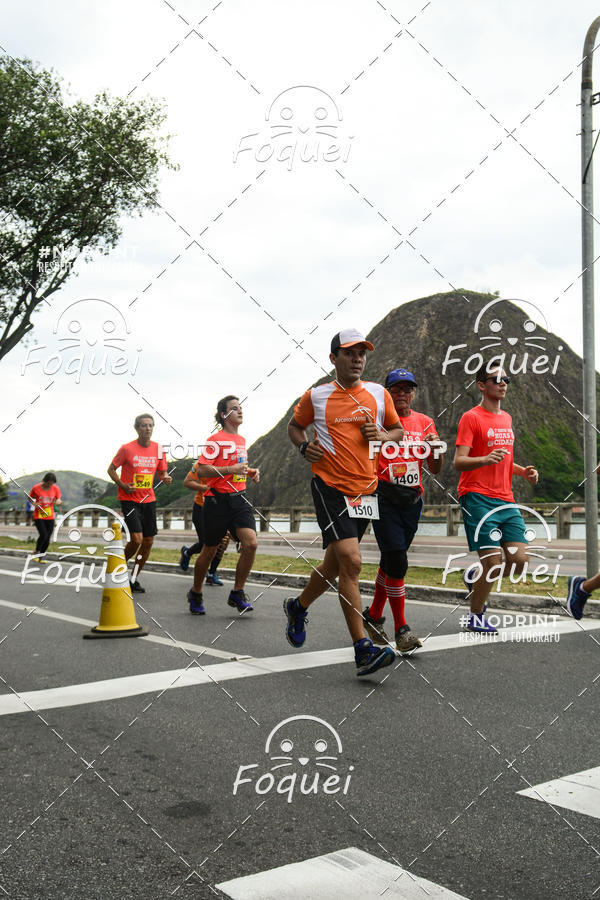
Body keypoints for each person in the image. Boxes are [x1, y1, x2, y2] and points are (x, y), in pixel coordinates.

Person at [284, 328, 404, 677]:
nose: (357, 359)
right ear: (334, 358)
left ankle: (297, 605)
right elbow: (295, 427)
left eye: (362, 353)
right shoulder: (316, 396)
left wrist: (382, 435)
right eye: (350, 353)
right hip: (329, 486)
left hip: (366, 490)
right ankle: (362, 648)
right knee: (352, 562)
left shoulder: (379, 395)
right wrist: (304, 447)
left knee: (336, 566)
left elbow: (397, 431)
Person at [363, 368, 445, 653]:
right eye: (396, 389)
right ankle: (402, 629)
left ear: (413, 393)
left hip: (412, 500)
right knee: (397, 561)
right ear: (386, 393)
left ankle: (373, 616)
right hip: (383, 497)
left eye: (407, 389)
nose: (402, 394)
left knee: (391, 561)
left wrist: (435, 450)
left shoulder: (424, 422)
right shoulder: (377, 423)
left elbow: (435, 468)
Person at [454, 363, 539, 633]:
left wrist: (522, 471)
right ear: (482, 385)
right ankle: (475, 615)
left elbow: (503, 460)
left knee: (520, 562)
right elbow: (459, 461)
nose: (503, 383)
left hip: (506, 499)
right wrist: (484, 459)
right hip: (477, 497)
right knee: (493, 563)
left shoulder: (507, 419)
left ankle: (474, 577)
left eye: (506, 379)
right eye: (496, 379)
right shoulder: (471, 417)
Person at [186, 396, 260, 615]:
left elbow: (238, 468)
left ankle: (237, 592)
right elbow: (201, 470)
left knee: (251, 544)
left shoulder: (242, 440)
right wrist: (231, 471)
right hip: (216, 500)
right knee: (209, 550)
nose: (240, 411)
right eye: (234, 409)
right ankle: (196, 592)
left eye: (241, 408)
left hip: (239, 498)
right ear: (223, 415)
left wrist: (249, 472)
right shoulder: (214, 440)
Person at [107, 413, 172, 593]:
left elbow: (161, 473)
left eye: (150, 425)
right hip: (129, 499)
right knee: (136, 539)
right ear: (137, 428)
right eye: (143, 425)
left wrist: (165, 478)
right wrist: (122, 485)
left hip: (149, 499)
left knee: (148, 541)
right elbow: (111, 469)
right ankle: (117, 568)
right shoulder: (127, 449)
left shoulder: (159, 449)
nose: (148, 428)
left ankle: (133, 578)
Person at [179, 464, 229, 585]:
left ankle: (211, 574)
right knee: (206, 544)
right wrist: (205, 488)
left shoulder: (229, 464)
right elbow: (187, 482)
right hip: (201, 508)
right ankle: (187, 553)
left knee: (223, 542)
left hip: (222, 508)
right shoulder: (200, 465)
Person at [29, 473, 62, 561]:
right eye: (48, 483)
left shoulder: (56, 488)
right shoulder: (36, 488)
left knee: (48, 537)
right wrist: (34, 504)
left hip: (49, 515)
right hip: (39, 515)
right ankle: (36, 552)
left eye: (52, 484)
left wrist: (58, 501)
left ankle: (41, 556)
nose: (50, 485)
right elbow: (30, 498)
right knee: (43, 534)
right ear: (44, 481)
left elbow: (58, 499)